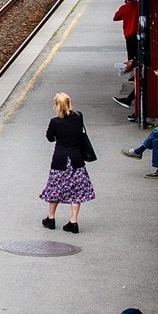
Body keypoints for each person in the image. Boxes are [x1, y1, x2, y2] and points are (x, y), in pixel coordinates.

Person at [40, 92, 95, 234]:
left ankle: (50, 219)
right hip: (76, 160)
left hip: (60, 159)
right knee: (76, 191)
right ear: (70, 103)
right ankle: (73, 222)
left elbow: (49, 138)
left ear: (56, 105)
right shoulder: (78, 117)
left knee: (55, 188)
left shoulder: (55, 122)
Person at [111, 0, 139, 107]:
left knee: (131, 57)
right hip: (138, 34)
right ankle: (134, 74)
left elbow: (115, 17)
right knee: (137, 56)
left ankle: (132, 75)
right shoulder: (139, 5)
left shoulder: (125, 7)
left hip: (129, 35)